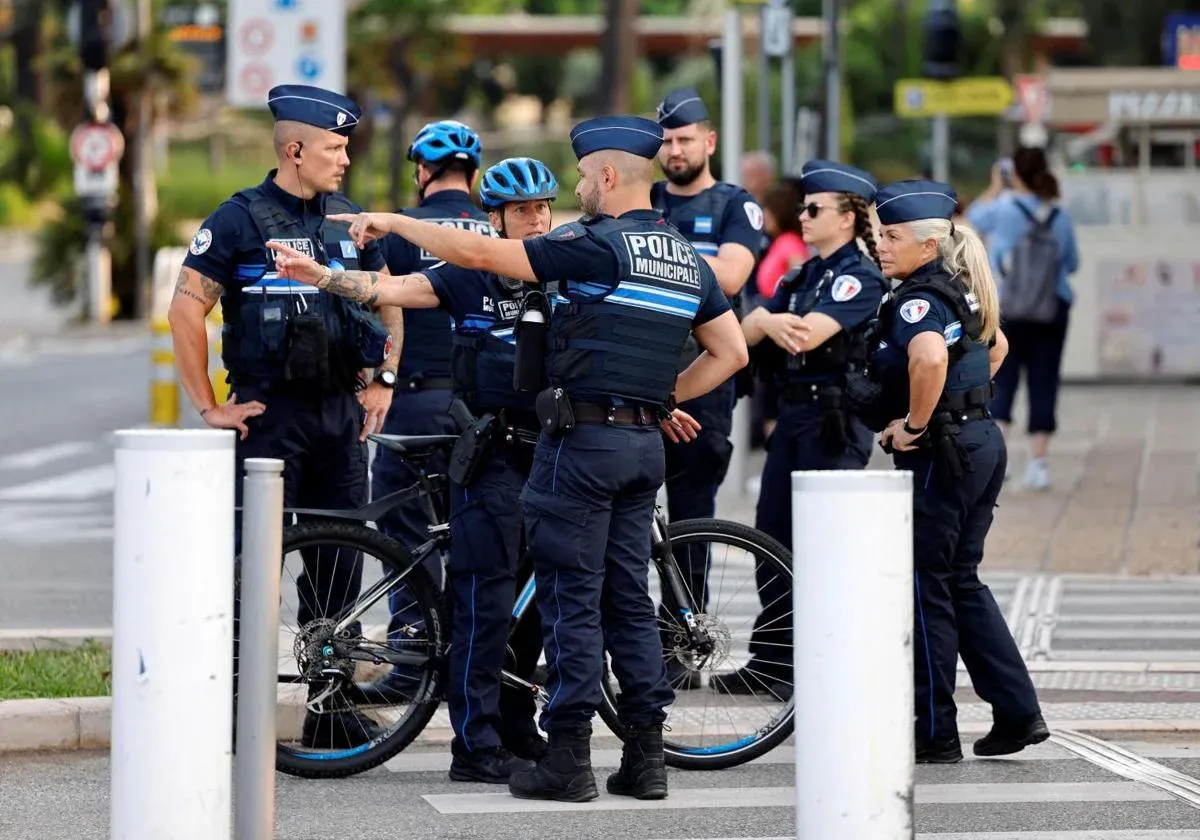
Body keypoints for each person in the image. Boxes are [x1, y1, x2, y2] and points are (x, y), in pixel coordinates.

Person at [304, 115, 749, 803]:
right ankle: (641, 758)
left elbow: (481, 257)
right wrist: (657, 400)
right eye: (528, 206)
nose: (562, 200)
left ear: (606, 176)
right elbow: (731, 352)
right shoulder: (683, 256)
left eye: (575, 182)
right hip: (618, 449)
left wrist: (394, 221)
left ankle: (567, 757)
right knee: (620, 602)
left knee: (572, 603)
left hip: (580, 449)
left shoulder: (592, 247)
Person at [269, 157, 562, 784]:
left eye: (543, 208)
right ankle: (475, 746)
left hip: (552, 458)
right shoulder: (468, 275)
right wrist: (322, 276)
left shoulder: (565, 273)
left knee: (535, 602)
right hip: (491, 457)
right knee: (485, 602)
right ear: (494, 219)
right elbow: (388, 291)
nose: (536, 220)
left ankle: (516, 725)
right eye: (522, 211)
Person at [167, 84, 401, 749]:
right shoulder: (238, 219)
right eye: (334, 148)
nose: (345, 159)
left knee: (340, 568)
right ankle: (238, 714)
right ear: (295, 151)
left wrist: (383, 378)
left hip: (339, 417)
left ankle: (330, 708)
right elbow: (186, 309)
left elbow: (389, 298)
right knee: (253, 569)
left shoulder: (349, 220)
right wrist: (208, 405)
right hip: (268, 418)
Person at [867, 178, 1048, 764]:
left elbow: (927, 357)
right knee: (961, 581)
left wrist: (916, 423)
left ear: (927, 245)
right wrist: (963, 404)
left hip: (941, 453)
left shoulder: (917, 299)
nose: (881, 245)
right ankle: (1018, 712)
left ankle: (935, 732)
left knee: (928, 587)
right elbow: (997, 349)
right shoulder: (959, 289)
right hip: (980, 441)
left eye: (892, 237)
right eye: (880, 235)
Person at [730, 160, 886, 699]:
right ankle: (773, 659)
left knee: (822, 545)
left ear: (846, 218)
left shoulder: (858, 277)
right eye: (802, 207)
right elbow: (747, 330)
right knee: (771, 537)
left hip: (832, 421)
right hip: (795, 417)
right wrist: (765, 322)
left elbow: (806, 335)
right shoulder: (802, 275)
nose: (803, 215)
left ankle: (819, 660)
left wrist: (767, 323)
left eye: (814, 208)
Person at [372, 119, 494, 678]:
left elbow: (377, 307)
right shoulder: (497, 230)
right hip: (483, 412)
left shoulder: (399, 230)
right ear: (473, 174)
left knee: (405, 536)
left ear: (422, 171)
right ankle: (472, 660)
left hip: (414, 404)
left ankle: (414, 659)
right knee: (481, 537)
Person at [652, 88, 764, 687]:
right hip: (643, 374)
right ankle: (637, 644)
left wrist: (651, 258)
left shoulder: (735, 205)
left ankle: (681, 642)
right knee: (630, 520)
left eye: (685, 140)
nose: (675, 150)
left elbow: (734, 274)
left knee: (692, 520)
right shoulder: (645, 198)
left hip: (705, 379)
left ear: (709, 142)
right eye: (667, 141)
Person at [967, 146, 1079, 490]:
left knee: (1002, 377)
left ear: (1013, 173)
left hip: (1007, 308)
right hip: (1052, 307)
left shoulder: (1002, 208)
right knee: (1044, 380)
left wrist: (995, 186)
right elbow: (1072, 263)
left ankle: (1001, 460)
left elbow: (971, 219)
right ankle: (1038, 464)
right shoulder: (1059, 215)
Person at [754, 181, 808, 299]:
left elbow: (801, 282)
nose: (764, 215)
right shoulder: (779, 242)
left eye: (768, 210)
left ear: (779, 212)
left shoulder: (789, 242)